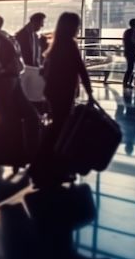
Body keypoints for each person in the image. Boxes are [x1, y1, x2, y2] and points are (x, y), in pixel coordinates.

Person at [31, 12, 92, 187]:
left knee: (56, 129)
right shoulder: (70, 45)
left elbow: (45, 71)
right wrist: (89, 92)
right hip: (63, 93)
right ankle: (47, 168)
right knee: (59, 130)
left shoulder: (56, 45)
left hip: (53, 92)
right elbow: (81, 69)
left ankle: (42, 168)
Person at [0, 15, 39, 162]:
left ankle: (4, 152)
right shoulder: (9, 39)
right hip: (15, 80)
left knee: (3, 115)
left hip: (2, 83)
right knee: (20, 112)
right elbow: (20, 66)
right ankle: (25, 149)